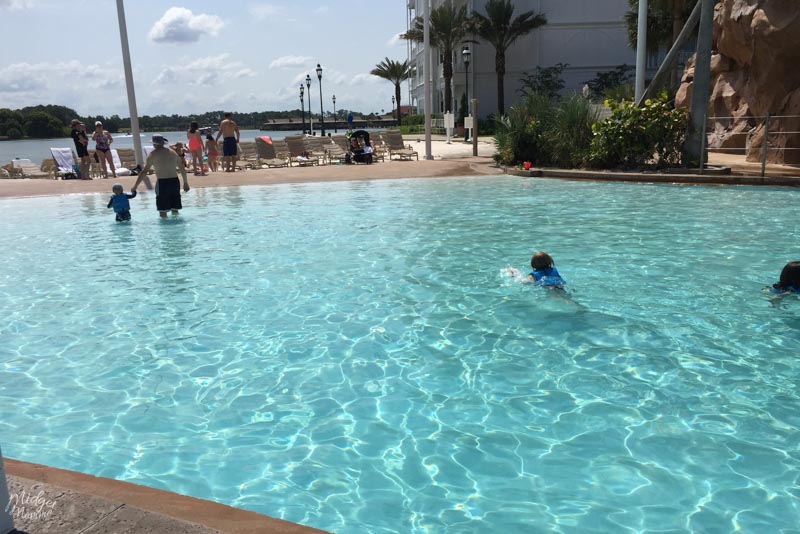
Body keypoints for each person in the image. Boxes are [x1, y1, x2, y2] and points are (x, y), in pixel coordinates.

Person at [132, 135, 189, 218]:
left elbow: (144, 171)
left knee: (162, 211)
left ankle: (165, 229)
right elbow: (182, 168)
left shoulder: (152, 154)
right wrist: (185, 183)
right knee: (175, 209)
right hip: (175, 182)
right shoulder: (173, 153)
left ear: (154, 144)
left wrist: (135, 185)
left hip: (162, 183)